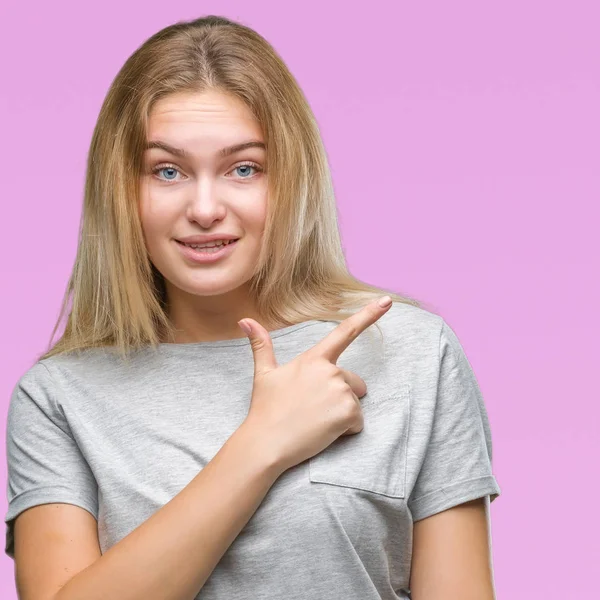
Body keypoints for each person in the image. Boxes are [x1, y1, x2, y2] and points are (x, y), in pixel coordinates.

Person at [3, 14, 502, 600]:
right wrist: (263, 443)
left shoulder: (413, 354)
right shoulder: (59, 397)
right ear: (121, 192)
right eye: (168, 171)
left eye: (244, 169)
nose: (206, 207)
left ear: (290, 180)